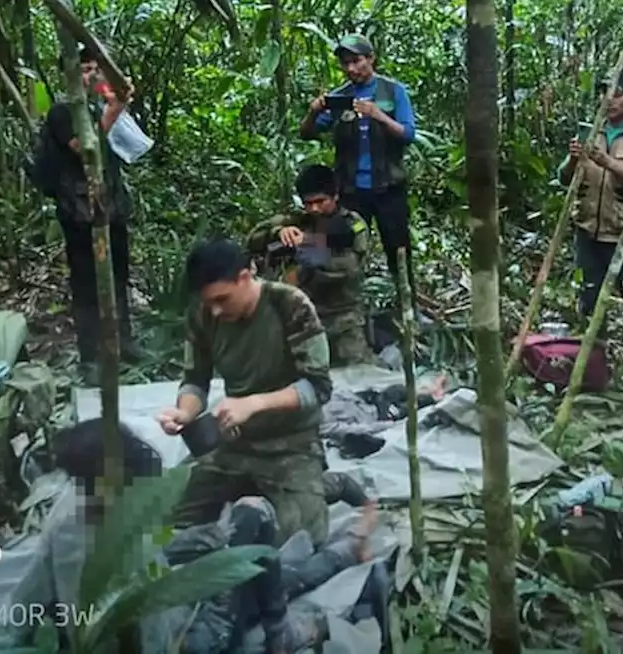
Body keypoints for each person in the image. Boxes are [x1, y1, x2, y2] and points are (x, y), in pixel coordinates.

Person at [52, 418, 385, 654]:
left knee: (260, 570)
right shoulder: (131, 536)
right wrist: (211, 542)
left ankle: (348, 551)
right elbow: (156, 635)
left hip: (176, 602)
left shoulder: (63, 530)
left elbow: (25, 603)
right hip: (191, 637)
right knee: (259, 545)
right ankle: (286, 631)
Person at [157, 238, 332, 546]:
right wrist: (185, 412)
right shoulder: (204, 314)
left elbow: (317, 388)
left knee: (303, 540)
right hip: (233, 443)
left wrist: (254, 403)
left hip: (291, 446)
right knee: (162, 518)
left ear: (244, 277)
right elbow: (196, 380)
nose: (215, 309)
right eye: (208, 301)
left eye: (222, 299)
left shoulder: (289, 305)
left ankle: (329, 485)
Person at [44, 47, 145, 384]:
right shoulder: (63, 112)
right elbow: (85, 147)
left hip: (111, 208)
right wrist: (115, 108)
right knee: (86, 283)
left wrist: (117, 105)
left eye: (94, 69)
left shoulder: (99, 106)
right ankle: (90, 356)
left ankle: (124, 341)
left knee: (119, 276)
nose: (90, 76)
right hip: (80, 213)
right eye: (83, 70)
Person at [558, 67, 623, 387]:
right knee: (590, 301)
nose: (609, 99)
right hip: (589, 232)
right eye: (604, 92)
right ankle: (597, 368)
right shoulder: (592, 132)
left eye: (617, 93)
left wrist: (606, 162)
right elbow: (564, 178)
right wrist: (575, 159)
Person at [299, 34, 418, 302]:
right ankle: (345, 304)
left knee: (398, 249)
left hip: (389, 188)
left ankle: (407, 305)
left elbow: (408, 134)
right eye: (346, 63)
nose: (351, 68)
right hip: (351, 190)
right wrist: (314, 111)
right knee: (342, 246)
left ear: (371, 59)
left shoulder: (393, 91)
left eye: (356, 61)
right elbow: (306, 133)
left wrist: (378, 115)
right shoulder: (340, 97)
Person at [246, 165, 373, 366]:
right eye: (308, 203)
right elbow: (253, 238)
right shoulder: (298, 219)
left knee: (360, 376)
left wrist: (308, 244)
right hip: (301, 319)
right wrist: (279, 232)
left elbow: (349, 268)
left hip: (342, 318)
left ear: (335, 196)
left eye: (320, 202)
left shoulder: (352, 224)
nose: (314, 209)